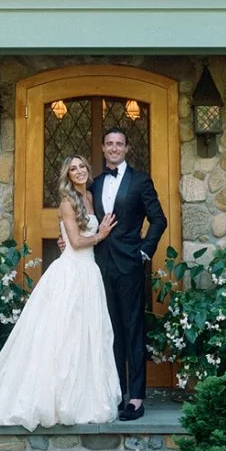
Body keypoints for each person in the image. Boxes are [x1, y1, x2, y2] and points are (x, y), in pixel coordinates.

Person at [0, 154, 120, 430]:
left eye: (82, 166)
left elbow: (72, 238)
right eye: (73, 169)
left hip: (89, 273)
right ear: (68, 176)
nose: (79, 171)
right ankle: (53, 399)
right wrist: (101, 235)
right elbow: (74, 240)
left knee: (86, 335)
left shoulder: (89, 199)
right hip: (71, 273)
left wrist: (89, 238)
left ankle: (83, 397)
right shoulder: (67, 202)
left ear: (88, 169)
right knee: (61, 336)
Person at [91, 129, 167, 422]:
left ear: (127, 148)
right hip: (100, 266)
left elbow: (159, 219)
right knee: (110, 332)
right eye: (109, 143)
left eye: (119, 144)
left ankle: (135, 397)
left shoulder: (140, 181)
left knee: (133, 329)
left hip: (130, 265)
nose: (114, 148)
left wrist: (145, 251)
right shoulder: (96, 184)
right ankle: (115, 393)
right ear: (102, 147)